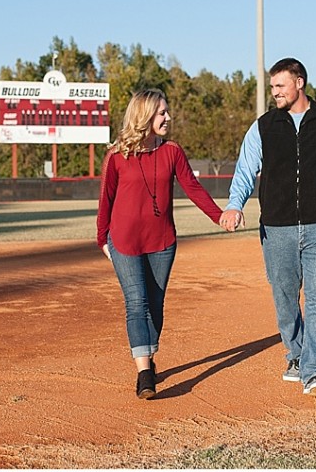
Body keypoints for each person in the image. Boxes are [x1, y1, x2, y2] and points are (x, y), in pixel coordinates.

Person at [219, 58, 316, 399]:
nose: (275, 94)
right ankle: (297, 355)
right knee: (285, 299)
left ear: (299, 83)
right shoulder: (264, 126)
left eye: (280, 86)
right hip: (277, 229)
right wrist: (234, 204)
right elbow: (245, 170)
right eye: (272, 88)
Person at [96, 88, 224, 400]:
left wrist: (218, 216)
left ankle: (149, 354)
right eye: (161, 112)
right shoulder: (117, 156)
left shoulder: (172, 152)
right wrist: (102, 238)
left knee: (155, 303)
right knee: (136, 302)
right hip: (124, 241)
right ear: (144, 116)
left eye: (167, 112)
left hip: (162, 241)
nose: (168, 117)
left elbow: (192, 187)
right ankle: (144, 373)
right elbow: (106, 198)